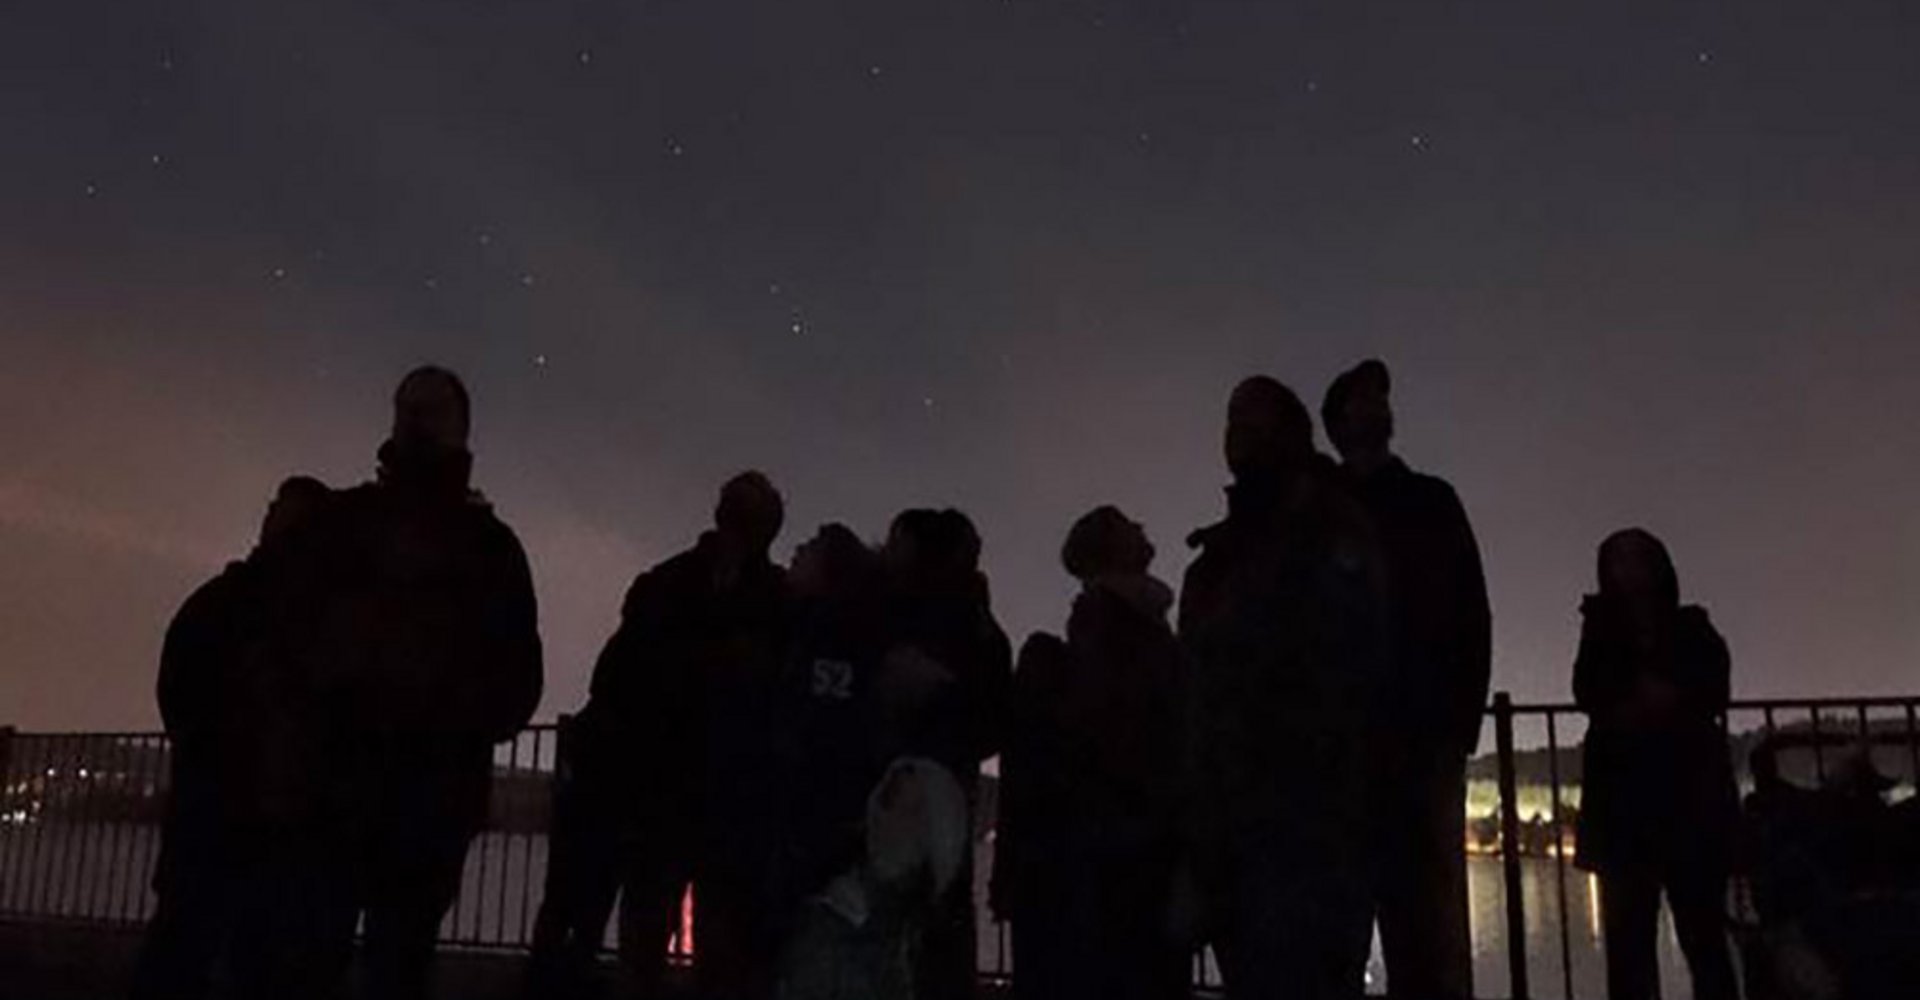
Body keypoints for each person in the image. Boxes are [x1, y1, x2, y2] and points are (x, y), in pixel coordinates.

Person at [268, 366, 544, 1000]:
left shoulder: (480, 547)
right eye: (411, 409)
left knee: (364, 962)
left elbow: (514, 680)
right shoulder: (472, 544)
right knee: (331, 961)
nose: (418, 422)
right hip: (355, 795)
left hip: (404, 799)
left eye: (429, 410)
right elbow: (283, 635)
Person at [528, 472, 790, 1000]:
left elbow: (614, 681)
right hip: (717, 799)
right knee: (712, 948)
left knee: (646, 938)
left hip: (663, 793)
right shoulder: (777, 602)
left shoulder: (665, 585)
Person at [1179, 376, 1388, 1000]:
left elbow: (1352, 662)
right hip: (1240, 824)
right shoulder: (1223, 554)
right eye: (1232, 420)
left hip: (1310, 821)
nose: (1237, 434)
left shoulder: (1327, 527)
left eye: (1253, 420)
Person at [1322, 360, 1490, 1000]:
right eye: (1362, 399)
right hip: (1345, 747)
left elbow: (1470, 614)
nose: (1376, 408)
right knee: (1350, 932)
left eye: (1380, 398)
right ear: (1338, 420)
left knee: (1424, 934)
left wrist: (1454, 730)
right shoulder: (1320, 510)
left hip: (1417, 743)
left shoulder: (1429, 501)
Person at [130, 476, 330, 1000]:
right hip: (269, 823)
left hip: (211, 814)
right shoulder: (315, 619)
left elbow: (178, 696)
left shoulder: (216, 605)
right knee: (249, 959)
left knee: (182, 949)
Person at [995, 506, 1188, 1000]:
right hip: (1126, 862)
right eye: (1125, 524)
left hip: (1112, 861)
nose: (1140, 525)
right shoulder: (1120, 632)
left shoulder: (1101, 631)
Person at [1572, 528, 1739, 1000]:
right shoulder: (1600, 630)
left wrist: (1660, 698)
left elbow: (1713, 685)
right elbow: (1587, 689)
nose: (1628, 571)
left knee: (1702, 937)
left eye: (1636, 559)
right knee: (1632, 947)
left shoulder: (1692, 627)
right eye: (1619, 561)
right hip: (1628, 808)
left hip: (1686, 802)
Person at [879, 508, 1013, 1000]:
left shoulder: (894, 618)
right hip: (948, 799)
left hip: (897, 799)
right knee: (943, 934)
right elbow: (993, 721)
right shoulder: (980, 629)